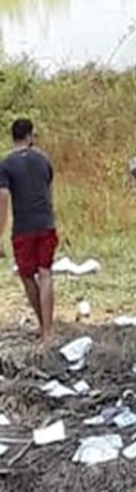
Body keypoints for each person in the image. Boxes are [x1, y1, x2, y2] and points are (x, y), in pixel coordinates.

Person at [0, 119, 58, 343]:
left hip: (23, 228)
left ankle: (43, 326)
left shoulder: (5, 165)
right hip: (46, 223)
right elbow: (49, 194)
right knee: (46, 273)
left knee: (27, 275)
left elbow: (3, 201)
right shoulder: (44, 160)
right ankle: (48, 331)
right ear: (30, 136)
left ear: (13, 137)